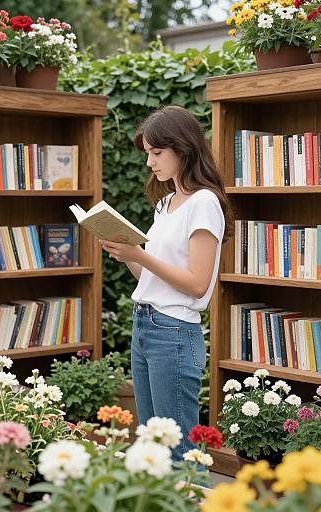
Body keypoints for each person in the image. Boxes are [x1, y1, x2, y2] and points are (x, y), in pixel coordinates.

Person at [100, 105, 232, 460]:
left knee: (179, 452)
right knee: (153, 445)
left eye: (157, 153)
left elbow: (197, 284)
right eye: (147, 154)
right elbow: (154, 279)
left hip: (173, 332)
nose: (150, 163)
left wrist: (140, 254)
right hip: (145, 323)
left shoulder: (204, 203)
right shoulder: (166, 204)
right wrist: (127, 254)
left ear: (183, 148)